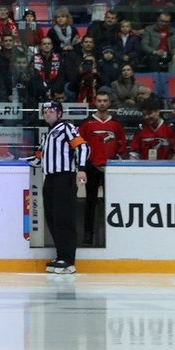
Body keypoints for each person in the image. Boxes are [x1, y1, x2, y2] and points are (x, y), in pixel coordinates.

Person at [33, 100, 90, 275]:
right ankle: (61, 255)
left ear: (59, 113)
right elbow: (38, 158)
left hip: (64, 177)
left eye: (51, 110)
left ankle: (68, 259)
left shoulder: (66, 128)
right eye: (45, 111)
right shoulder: (47, 135)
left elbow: (82, 147)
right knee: (53, 218)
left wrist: (81, 169)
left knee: (64, 218)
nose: (47, 113)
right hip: (49, 179)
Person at [77, 93, 127, 245]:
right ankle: (88, 236)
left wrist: (117, 161)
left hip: (111, 168)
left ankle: (114, 235)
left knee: (113, 203)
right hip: (92, 167)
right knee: (90, 203)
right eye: (99, 101)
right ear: (95, 102)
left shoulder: (116, 124)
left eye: (105, 101)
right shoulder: (87, 123)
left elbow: (122, 145)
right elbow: (80, 146)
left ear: (109, 102)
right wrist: (83, 166)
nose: (102, 103)